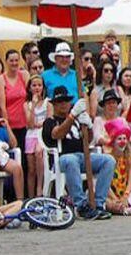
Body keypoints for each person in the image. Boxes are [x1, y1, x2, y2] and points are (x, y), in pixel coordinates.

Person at [42, 86, 114, 218]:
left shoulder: (77, 120)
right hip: (62, 158)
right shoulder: (50, 122)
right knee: (71, 160)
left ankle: (99, 203)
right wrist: (72, 116)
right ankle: (81, 205)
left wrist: (89, 127)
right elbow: (57, 134)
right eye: (60, 102)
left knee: (108, 161)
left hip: (82, 156)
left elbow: (89, 140)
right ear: (54, 104)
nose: (64, 104)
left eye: (66, 101)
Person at [0, 50, 29, 190]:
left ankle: (26, 192)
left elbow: (30, 97)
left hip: (25, 123)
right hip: (11, 125)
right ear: (6, 62)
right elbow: (2, 106)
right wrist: (7, 126)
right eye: (11, 60)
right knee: (12, 158)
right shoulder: (1, 80)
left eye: (16, 60)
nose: (14, 63)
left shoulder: (24, 75)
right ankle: (11, 193)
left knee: (26, 161)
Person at [104, 119, 131, 215]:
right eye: (119, 139)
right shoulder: (108, 158)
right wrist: (116, 199)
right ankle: (120, 208)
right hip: (111, 195)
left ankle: (122, 208)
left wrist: (126, 196)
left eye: (124, 138)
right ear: (113, 142)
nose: (122, 141)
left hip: (128, 193)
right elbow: (105, 184)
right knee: (105, 200)